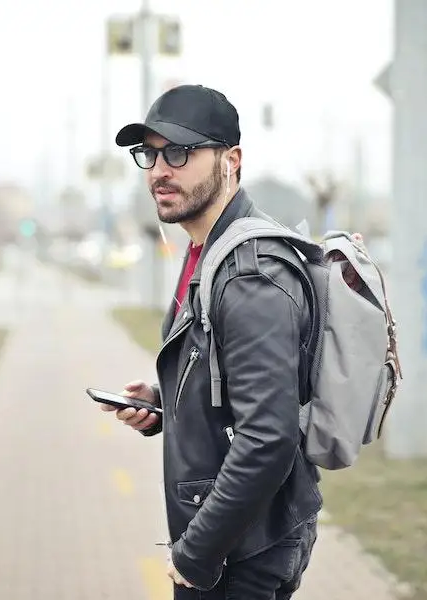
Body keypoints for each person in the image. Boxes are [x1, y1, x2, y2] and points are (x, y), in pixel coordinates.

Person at [102, 84, 322, 599]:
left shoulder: (250, 276)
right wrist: (163, 407)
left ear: (232, 160)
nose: (159, 170)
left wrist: (196, 552)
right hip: (229, 536)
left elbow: (268, 438)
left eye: (179, 152)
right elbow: (230, 383)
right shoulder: (207, 249)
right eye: (149, 154)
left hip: (239, 551)